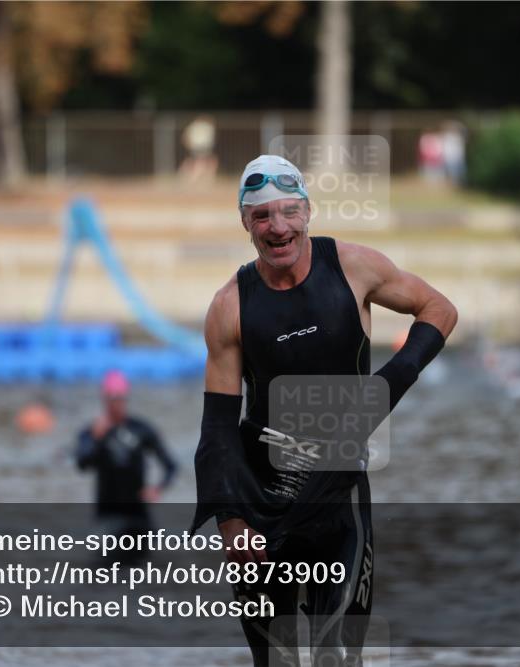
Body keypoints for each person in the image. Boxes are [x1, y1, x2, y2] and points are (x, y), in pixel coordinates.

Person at [191, 155, 457, 666]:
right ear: (246, 223)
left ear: (308, 211)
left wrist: (380, 393)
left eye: (289, 212)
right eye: (262, 216)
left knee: (337, 655)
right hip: (261, 501)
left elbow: (440, 310)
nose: (278, 227)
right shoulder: (230, 306)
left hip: (339, 496)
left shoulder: (355, 268)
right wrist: (229, 519)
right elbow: (217, 428)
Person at [76, 370, 177, 559]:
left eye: (120, 399)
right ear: (104, 400)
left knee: (146, 575)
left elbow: (171, 466)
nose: (116, 404)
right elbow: (82, 464)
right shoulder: (91, 432)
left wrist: (157, 488)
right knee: (101, 575)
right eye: (112, 399)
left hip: (138, 515)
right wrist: (97, 439)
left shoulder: (141, 429)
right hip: (107, 516)